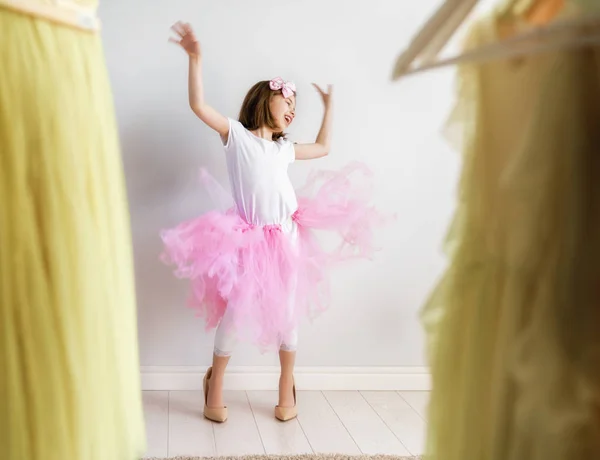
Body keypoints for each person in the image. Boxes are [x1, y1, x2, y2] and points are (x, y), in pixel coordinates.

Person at [162, 21, 382, 424]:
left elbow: (325, 147)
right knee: (234, 314)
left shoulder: (284, 149)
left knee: (287, 315)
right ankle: (215, 386)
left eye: (296, 108)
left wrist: (330, 108)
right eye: (288, 103)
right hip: (248, 239)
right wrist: (195, 59)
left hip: (287, 236)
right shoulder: (237, 137)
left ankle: (286, 388)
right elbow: (199, 106)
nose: (293, 111)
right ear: (267, 100)